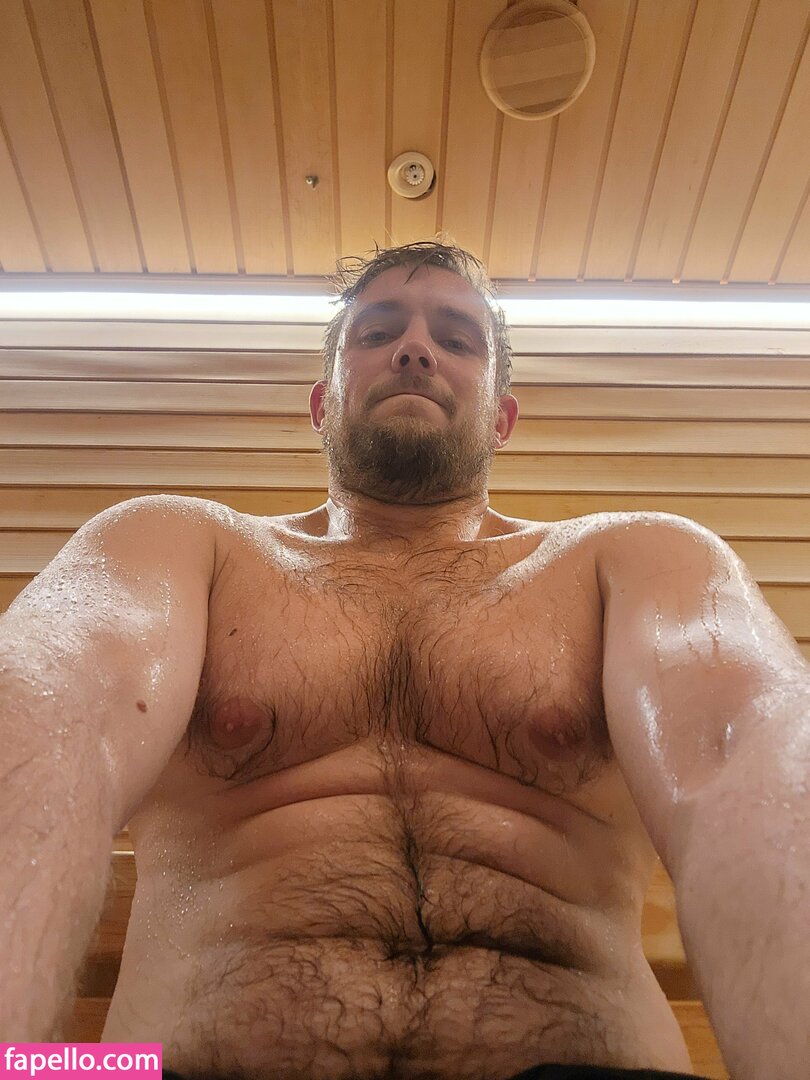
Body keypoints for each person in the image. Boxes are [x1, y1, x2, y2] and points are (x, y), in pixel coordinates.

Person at [1, 239, 807, 1080]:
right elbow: (49, 725)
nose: (415, 348)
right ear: (322, 404)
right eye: (378, 331)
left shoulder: (638, 557)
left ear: (501, 418)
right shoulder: (175, 543)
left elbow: (743, 756)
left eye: (456, 340)